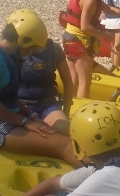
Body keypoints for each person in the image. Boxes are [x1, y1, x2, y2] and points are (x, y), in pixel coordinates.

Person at [0, 16, 82, 168]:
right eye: (31, 48)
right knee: (65, 145)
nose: (30, 53)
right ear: (22, 42)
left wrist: (31, 116)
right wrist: (25, 123)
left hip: (5, 119)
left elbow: (8, 97)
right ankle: (103, 183)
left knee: (55, 134)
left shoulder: (5, 57)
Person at [8, 8, 74, 136]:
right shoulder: (13, 51)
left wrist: (65, 111)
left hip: (47, 105)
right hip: (19, 106)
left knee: (65, 131)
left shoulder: (53, 49)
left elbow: (68, 82)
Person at [61, 0, 115, 99]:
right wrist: (105, 36)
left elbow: (108, 9)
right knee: (85, 81)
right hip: (80, 40)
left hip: (68, 37)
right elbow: (85, 26)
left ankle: (69, 107)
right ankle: (81, 110)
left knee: (74, 78)